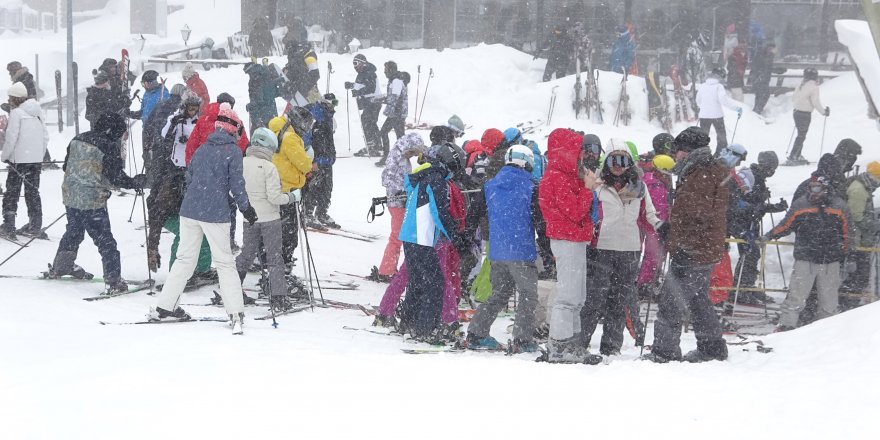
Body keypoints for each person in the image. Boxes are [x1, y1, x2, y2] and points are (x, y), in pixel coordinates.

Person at [149, 104, 257, 335]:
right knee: (225, 263)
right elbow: (237, 185)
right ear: (233, 128)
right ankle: (235, 312)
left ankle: (165, 306)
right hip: (215, 213)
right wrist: (246, 209)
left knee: (184, 260)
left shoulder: (201, 148)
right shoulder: (233, 152)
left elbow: (190, 175)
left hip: (189, 210)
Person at [645, 126, 729, 363]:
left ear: (688, 151)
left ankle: (665, 351)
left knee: (671, 301)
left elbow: (694, 215)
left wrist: (675, 237)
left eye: (679, 151)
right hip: (704, 248)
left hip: (692, 250)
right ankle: (712, 346)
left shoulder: (699, 174)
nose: (676, 156)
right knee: (697, 299)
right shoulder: (710, 171)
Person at [580, 139, 663, 356]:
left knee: (618, 300)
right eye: (613, 160)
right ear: (606, 161)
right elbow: (585, 212)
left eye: (623, 160)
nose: (618, 165)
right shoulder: (597, 185)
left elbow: (649, 215)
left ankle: (611, 346)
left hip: (629, 249)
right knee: (594, 300)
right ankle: (581, 342)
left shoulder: (640, 188)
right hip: (602, 248)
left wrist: (662, 227)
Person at [47, 112, 146, 292]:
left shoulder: (77, 139)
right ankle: (114, 281)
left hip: (70, 195)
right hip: (92, 200)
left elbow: (65, 166)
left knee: (74, 231)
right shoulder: (107, 145)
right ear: (112, 131)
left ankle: (62, 266)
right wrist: (134, 182)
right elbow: (115, 177)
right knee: (105, 240)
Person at [465, 145, 541, 353]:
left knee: (499, 293)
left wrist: (465, 236)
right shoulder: (532, 186)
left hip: (497, 250)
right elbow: (539, 220)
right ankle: (522, 339)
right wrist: (546, 244)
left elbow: (474, 213)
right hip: (521, 250)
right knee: (528, 295)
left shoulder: (490, 185)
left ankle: (476, 332)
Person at [538, 128, 603, 364]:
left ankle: (572, 344)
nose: (581, 154)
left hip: (574, 238)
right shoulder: (556, 177)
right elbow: (575, 212)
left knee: (577, 295)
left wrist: (586, 185)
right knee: (568, 296)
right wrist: (587, 189)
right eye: (577, 149)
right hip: (567, 239)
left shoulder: (564, 175)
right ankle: (560, 345)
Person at [396, 143, 466, 342]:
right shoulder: (436, 180)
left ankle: (408, 323)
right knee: (435, 284)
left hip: (410, 235)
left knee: (418, 281)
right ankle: (426, 329)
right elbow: (440, 213)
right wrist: (456, 237)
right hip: (421, 237)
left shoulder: (424, 177)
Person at [763, 176, 849, 331]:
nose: (812, 191)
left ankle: (827, 329)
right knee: (796, 295)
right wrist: (769, 235)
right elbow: (786, 225)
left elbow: (848, 232)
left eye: (816, 188)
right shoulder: (801, 204)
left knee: (829, 300)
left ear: (826, 188)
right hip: (806, 257)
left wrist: (848, 254)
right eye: (811, 187)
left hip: (830, 260)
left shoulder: (839, 206)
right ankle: (786, 325)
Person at [146, 95, 215, 286]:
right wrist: (153, 247)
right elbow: (164, 136)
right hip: (176, 177)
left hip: (190, 166)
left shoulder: (198, 123)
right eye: (190, 108)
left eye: (195, 108)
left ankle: (202, 268)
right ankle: (178, 274)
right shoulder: (175, 120)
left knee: (203, 231)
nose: (192, 112)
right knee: (186, 235)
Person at [236, 127, 297, 311]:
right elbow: (274, 198)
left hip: (250, 218)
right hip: (270, 218)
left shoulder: (242, 162)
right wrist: (292, 197)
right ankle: (278, 296)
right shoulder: (269, 167)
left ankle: (232, 288)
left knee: (247, 253)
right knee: (274, 256)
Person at [730, 151, 788, 296]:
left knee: (752, 254)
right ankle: (742, 290)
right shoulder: (750, 176)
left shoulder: (759, 178)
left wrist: (774, 207)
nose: (772, 172)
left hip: (751, 222)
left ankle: (745, 287)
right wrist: (753, 206)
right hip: (743, 223)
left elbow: (757, 206)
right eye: (771, 168)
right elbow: (737, 200)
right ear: (765, 165)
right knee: (749, 254)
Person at [375, 133, 427, 282]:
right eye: (414, 152)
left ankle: (389, 268)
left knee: (399, 236)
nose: (414, 155)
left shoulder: (401, 156)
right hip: (397, 203)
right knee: (397, 237)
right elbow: (386, 178)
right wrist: (403, 190)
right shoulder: (396, 157)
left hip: (400, 201)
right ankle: (386, 270)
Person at [1, 82, 48, 239]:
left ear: (15, 98)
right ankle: (35, 225)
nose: (8, 100)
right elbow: (45, 136)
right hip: (35, 160)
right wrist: (39, 156)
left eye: (10, 98)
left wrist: (5, 156)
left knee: (12, 193)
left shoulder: (17, 113)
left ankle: (9, 226)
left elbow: (11, 137)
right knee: (32, 191)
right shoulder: (38, 112)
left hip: (18, 160)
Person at [269, 107, 314, 271]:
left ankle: (272, 259)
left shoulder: (278, 130)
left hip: (279, 184)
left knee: (278, 227)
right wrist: (309, 157)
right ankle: (283, 263)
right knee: (288, 231)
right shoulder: (290, 138)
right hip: (288, 188)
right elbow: (304, 164)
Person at [636, 134, 675, 299]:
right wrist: (662, 223)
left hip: (647, 220)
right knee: (653, 253)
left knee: (650, 253)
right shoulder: (656, 183)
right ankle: (644, 284)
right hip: (653, 222)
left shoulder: (652, 176)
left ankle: (645, 282)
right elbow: (658, 206)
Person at [839, 162, 880, 296]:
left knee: (858, 274)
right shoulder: (859, 190)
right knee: (858, 275)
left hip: (859, 239)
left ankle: (851, 299)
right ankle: (849, 304)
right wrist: (875, 225)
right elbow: (855, 217)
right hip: (856, 241)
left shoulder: (864, 186)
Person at [303, 95, 338, 229]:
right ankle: (308, 213)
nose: (334, 106)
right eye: (332, 103)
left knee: (327, 186)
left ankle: (322, 212)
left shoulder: (328, 116)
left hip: (326, 159)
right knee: (314, 186)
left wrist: (330, 156)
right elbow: (307, 138)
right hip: (316, 159)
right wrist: (312, 160)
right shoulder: (314, 116)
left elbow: (329, 138)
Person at [185, 93, 249, 164]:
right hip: (226, 164)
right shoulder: (236, 122)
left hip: (204, 164)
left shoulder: (203, 120)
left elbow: (192, 144)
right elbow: (243, 145)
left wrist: (190, 164)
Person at [787, 68, 829, 165]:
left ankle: (797, 154)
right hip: (805, 114)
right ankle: (794, 155)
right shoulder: (814, 87)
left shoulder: (801, 85)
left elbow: (793, 98)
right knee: (801, 136)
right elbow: (815, 102)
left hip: (796, 112)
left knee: (800, 134)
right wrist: (823, 112)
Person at [695, 68, 742, 155]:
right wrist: (736, 108)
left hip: (704, 116)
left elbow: (698, 100)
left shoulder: (703, 86)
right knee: (721, 136)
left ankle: (701, 153)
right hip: (717, 116)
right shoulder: (718, 86)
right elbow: (724, 100)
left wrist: (704, 108)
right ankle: (721, 153)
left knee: (703, 136)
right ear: (720, 77)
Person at [346, 54, 382, 157]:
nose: (355, 66)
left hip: (373, 102)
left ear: (363, 62)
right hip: (370, 102)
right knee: (371, 122)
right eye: (353, 64)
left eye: (356, 63)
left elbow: (371, 88)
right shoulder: (363, 73)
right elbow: (362, 85)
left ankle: (371, 146)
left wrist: (358, 92)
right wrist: (352, 85)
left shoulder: (369, 73)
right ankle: (376, 144)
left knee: (367, 122)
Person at [376, 61, 409, 167]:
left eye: (386, 70)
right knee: (400, 136)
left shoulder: (396, 81)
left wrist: (383, 100)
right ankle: (401, 158)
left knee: (386, 133)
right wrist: (383, 99)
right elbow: (393, 96)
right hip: (395, 112)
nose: (384, 72)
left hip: (397, 113)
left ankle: (389, 157)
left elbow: (395, 97)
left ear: (391, 70)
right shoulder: (393, 80)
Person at [243, 60, 282, 134]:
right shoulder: (266, 75)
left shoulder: (255, 79)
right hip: (272, 110)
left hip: (262, 114)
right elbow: (274, 93)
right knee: (272, 133)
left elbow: (259, 98)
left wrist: (251, 105)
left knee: (259, 135)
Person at [282, 38, 321, 107]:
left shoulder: (307, 58)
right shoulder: (294, 60)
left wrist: (304, 87)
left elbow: (315, 74)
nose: (289, 52)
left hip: (309, 91)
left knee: (315, 112)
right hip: (299, 92)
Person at [749, 43, 777, 114]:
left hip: (765, 79)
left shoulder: (771, 56)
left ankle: (758, 110)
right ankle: (756, 111)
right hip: (758, 79)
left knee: (765, 95)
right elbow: (755, 67)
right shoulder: (760, 55)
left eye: (772, 49)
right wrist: (758, 76)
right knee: (760, 95)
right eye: (770, 48)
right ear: (767, 48)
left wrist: (777, 70)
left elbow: (769, 68)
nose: (771, 50)